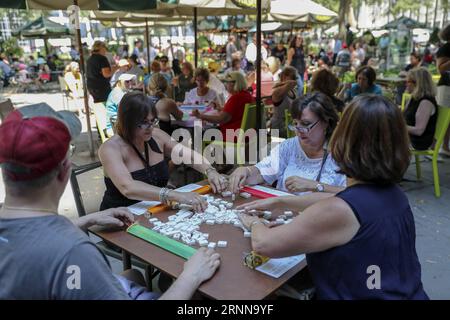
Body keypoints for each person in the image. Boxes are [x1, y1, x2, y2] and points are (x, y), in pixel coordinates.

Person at [0, 103, 221, 300]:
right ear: (65, 169)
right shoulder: (75, 253)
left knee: (132, 274)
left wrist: (86, 219)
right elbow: (128, 187)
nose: (149, 127)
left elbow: (29, 237)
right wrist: (190, 277)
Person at [236, 95, 428, 300]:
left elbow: (265, 244)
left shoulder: (341, 210)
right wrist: (280, 200)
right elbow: (331, 201)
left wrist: (255, 223)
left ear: (343, 140)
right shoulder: (394, 194)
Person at [98, 91, 227, 212]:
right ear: (127, 122)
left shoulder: (157, 135)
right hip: (120, 214)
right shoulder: (110, 149)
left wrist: (210, 171)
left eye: (153, 120)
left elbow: (187, 155)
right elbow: (128, 188)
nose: (150, 127)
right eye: (143, 123)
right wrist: (176, 195)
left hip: (155, 209)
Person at [228, 92, 346, 196]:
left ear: (326, 122)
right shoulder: (290, 146)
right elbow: (263, 172)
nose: (298, 130)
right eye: (295, 123)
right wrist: (247, 171)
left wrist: (316, 186)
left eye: (305, 124)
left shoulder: (340, 155)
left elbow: (353, 196)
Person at [192, 72, 254, 142]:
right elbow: (236, 112)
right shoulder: (247, 95)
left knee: (200, 134)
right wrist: (221, 108)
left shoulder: (236, 98)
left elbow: (220, 119)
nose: (226, 85)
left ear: (234, 83)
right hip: (246, 133)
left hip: (232, 134)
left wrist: (200, 115)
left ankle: (205, 152)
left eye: (227, 82)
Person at [404, 67, 438, 151]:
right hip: (408, 137)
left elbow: (419, 131)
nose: (406, 84)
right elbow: (402, 115)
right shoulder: (414, 98)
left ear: (418, 83)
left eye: (408, 81)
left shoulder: (426, 102)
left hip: (418, 142)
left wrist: (397, 126)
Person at [270, 66, 298, 138]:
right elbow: (292, 83)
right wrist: (284, 82)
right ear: (283, 77)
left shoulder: (292, 91)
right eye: (292, 76)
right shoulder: (277, 91)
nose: (294, 79)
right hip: (278, 129)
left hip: (289, 127)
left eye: (294, 77)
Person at [436, 24, 450, 156]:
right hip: (446, 86)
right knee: (445, 117)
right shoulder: (445, 49)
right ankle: (441, 147)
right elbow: (441, 69)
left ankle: (444, 147)